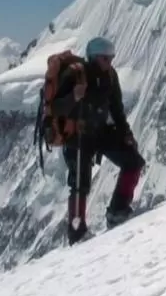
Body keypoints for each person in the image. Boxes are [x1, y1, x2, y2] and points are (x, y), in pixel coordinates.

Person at [49, 37, 145, 243]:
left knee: (133, 162)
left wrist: (126, 134)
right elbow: (55, 108)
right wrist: (73, 97)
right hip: (77, 135)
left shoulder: (110, 76)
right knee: (79, 183)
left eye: (111, 58)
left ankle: (118, 211)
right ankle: (77, 231)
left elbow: (117, 109)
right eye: (105, 58)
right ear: (93, 57)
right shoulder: (75, 74)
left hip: (100, 131)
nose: (109, 62)